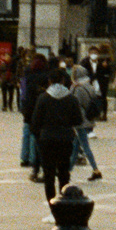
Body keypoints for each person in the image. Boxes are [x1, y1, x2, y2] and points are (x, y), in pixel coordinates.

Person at [31, 64, 84, 205]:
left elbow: (35, 122)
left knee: (48, 175)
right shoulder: (71, 98)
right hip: (65, 138)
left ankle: (52, 204)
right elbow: (78, 120)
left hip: (47, 139)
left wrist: (39, 136)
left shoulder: (43, 98)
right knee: (63, 173)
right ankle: (64, 203)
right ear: (63, 81)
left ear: (49, 81)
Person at [70, 62, 104, 181]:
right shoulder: (90, 86)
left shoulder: (77, 88)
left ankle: (96, 170)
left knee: (85, 146)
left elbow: (74, 104)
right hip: (89, 119)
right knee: (75, 146)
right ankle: (68, 170)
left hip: (80, 120)